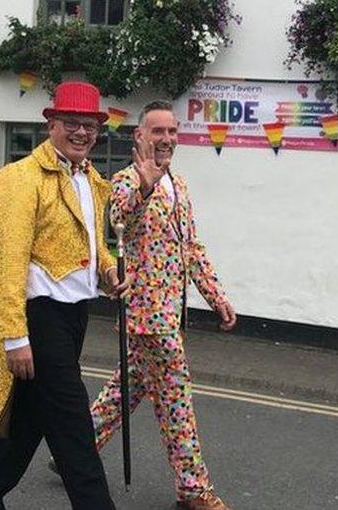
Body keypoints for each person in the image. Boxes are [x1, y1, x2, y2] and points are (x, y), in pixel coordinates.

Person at [0, 81, 129, 510]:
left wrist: (108, 272)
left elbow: (93, 245)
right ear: (51, 125)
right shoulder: (19, 179)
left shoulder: (92, 179)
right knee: (75, 430)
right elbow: (8, 262)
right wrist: (14, 337)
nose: (82, 133)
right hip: (39, 319)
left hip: (75, 316)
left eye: (90, 126)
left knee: (27, 420)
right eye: (72, 123)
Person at [81, 100, 238, 510]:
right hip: (148, 318)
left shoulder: (180, 185)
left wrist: (215, 295)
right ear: (140, 136)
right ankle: (193, 490)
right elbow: (116, 225)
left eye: (171, 132)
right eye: (157, 131)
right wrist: (145, 186)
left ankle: (75, 452)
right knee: (175, 399)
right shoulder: (126, 181)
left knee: (124, 391)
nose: (165, 139)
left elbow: (191, 248)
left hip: (171, 312)